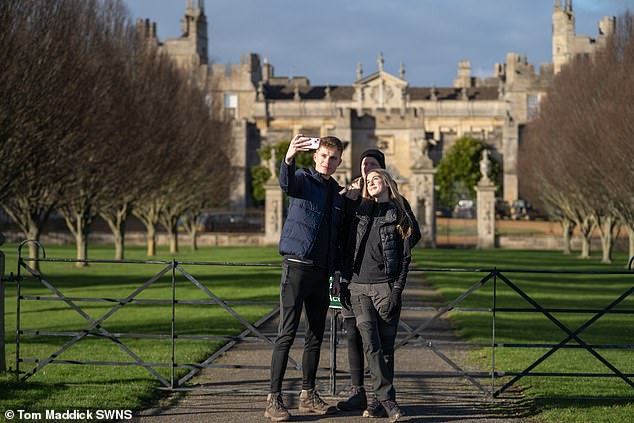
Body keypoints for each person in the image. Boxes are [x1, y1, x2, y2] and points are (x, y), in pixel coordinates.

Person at [265, 134, 345, 422]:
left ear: (339, 161)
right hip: (297, 266)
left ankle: (308, 394)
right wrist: (288, 157)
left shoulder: (336, 193)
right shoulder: (302, 178)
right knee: (286, 333)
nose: (327, 161)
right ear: (315, 156)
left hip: (322, 272)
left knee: (315, 337)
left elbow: (335, 237)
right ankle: (273, 399)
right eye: (323, 156)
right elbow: (286, 184)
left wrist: (335, 272)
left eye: (333, 158)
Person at [337, 150, 420, 413]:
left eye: (373, 167)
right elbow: (341, 236)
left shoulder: (398, 208)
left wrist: (391, 263)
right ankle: (368, 394)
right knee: (360, 339)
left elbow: (410, 241)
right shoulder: (356, 203)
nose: (367, 170)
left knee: (382, 346)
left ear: (385, 175)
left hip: (383, 284)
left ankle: (378, 399)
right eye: (364, 166)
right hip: (357, 285)